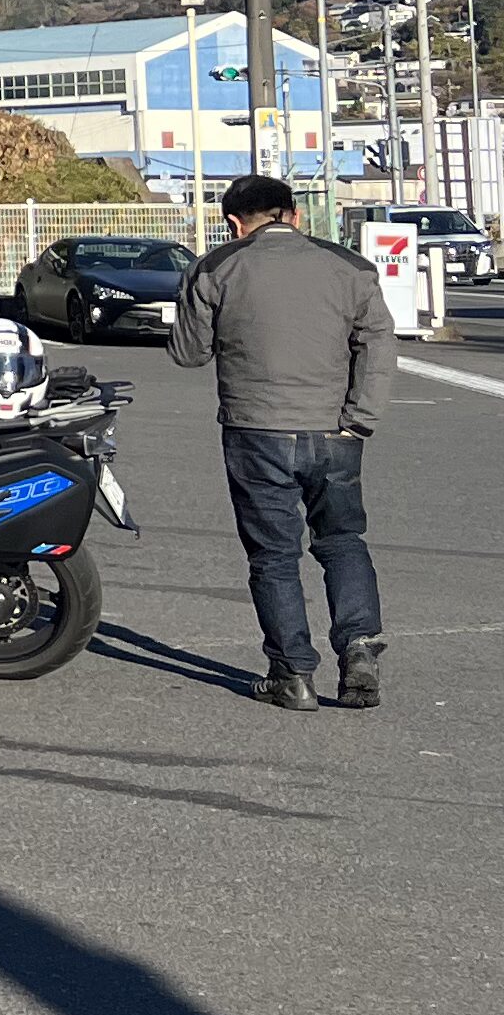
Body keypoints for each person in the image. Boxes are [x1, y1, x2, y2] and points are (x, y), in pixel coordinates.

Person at [171, 172, 391, 710]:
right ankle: (359, 645)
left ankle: (293, 674)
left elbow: (189, 352)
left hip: (255, 430)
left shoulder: (216, 267)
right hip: (335, 430)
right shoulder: (350, 267)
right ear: (294, 215)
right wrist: (359, 417)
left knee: (273, 555)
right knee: (342, 540)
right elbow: (377, 343)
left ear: (233, 222)